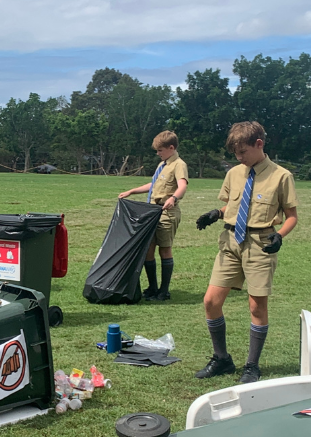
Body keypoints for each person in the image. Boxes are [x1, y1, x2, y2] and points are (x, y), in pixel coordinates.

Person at [194, 121, 298, 384]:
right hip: (230, 242)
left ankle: (252, 365)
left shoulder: (281, 176)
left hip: (260, 244)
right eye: (235, 153)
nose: (239, 158)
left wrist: (280, 235)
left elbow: (292, 216)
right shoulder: (234, 174)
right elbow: (232, 206)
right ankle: (222, 359)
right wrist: (216, 213)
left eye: (243, 152)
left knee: (256, 306)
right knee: (211, 301)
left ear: (259, 144)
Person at [117, 130, 188, 300]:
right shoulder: (163, 165)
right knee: (148, 248)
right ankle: (152, 287)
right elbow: (154, 184)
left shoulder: (179, 164)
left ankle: (164, 291)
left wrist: (173, 198)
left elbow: (182, 185)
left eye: (160, 150)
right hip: (152, 212)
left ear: (171, 148)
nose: (158, 153)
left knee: (164, 249)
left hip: (166, 212)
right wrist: (132, 191)